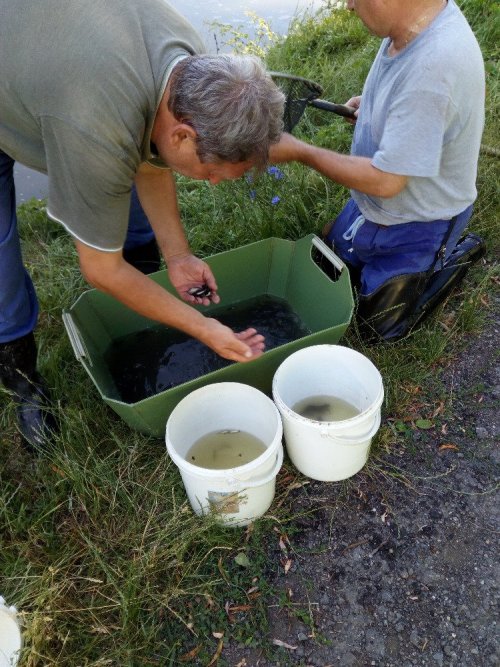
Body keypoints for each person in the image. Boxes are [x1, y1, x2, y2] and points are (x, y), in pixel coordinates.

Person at [0, 0, 285, 448]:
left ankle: (145, 276)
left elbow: (152, 159)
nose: (210, 184)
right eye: (210, 173)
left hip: (52, 56)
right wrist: (203, 327)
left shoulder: (191, 67)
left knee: (120, 171)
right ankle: (20, 376)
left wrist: (179, 255)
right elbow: (100, 270)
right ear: (183, 135)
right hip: (26, 78)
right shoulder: (94, 122)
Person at [270, 0, 486, 341]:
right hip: (373, 203)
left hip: (421, 219)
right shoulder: (407, 26)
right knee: (328, 258)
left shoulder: (436, 65)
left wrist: (301, 151)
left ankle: (456, 255)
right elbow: (405, 91)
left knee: (376, 328)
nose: (349, 5)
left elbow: (386, 181)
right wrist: (374, 107)